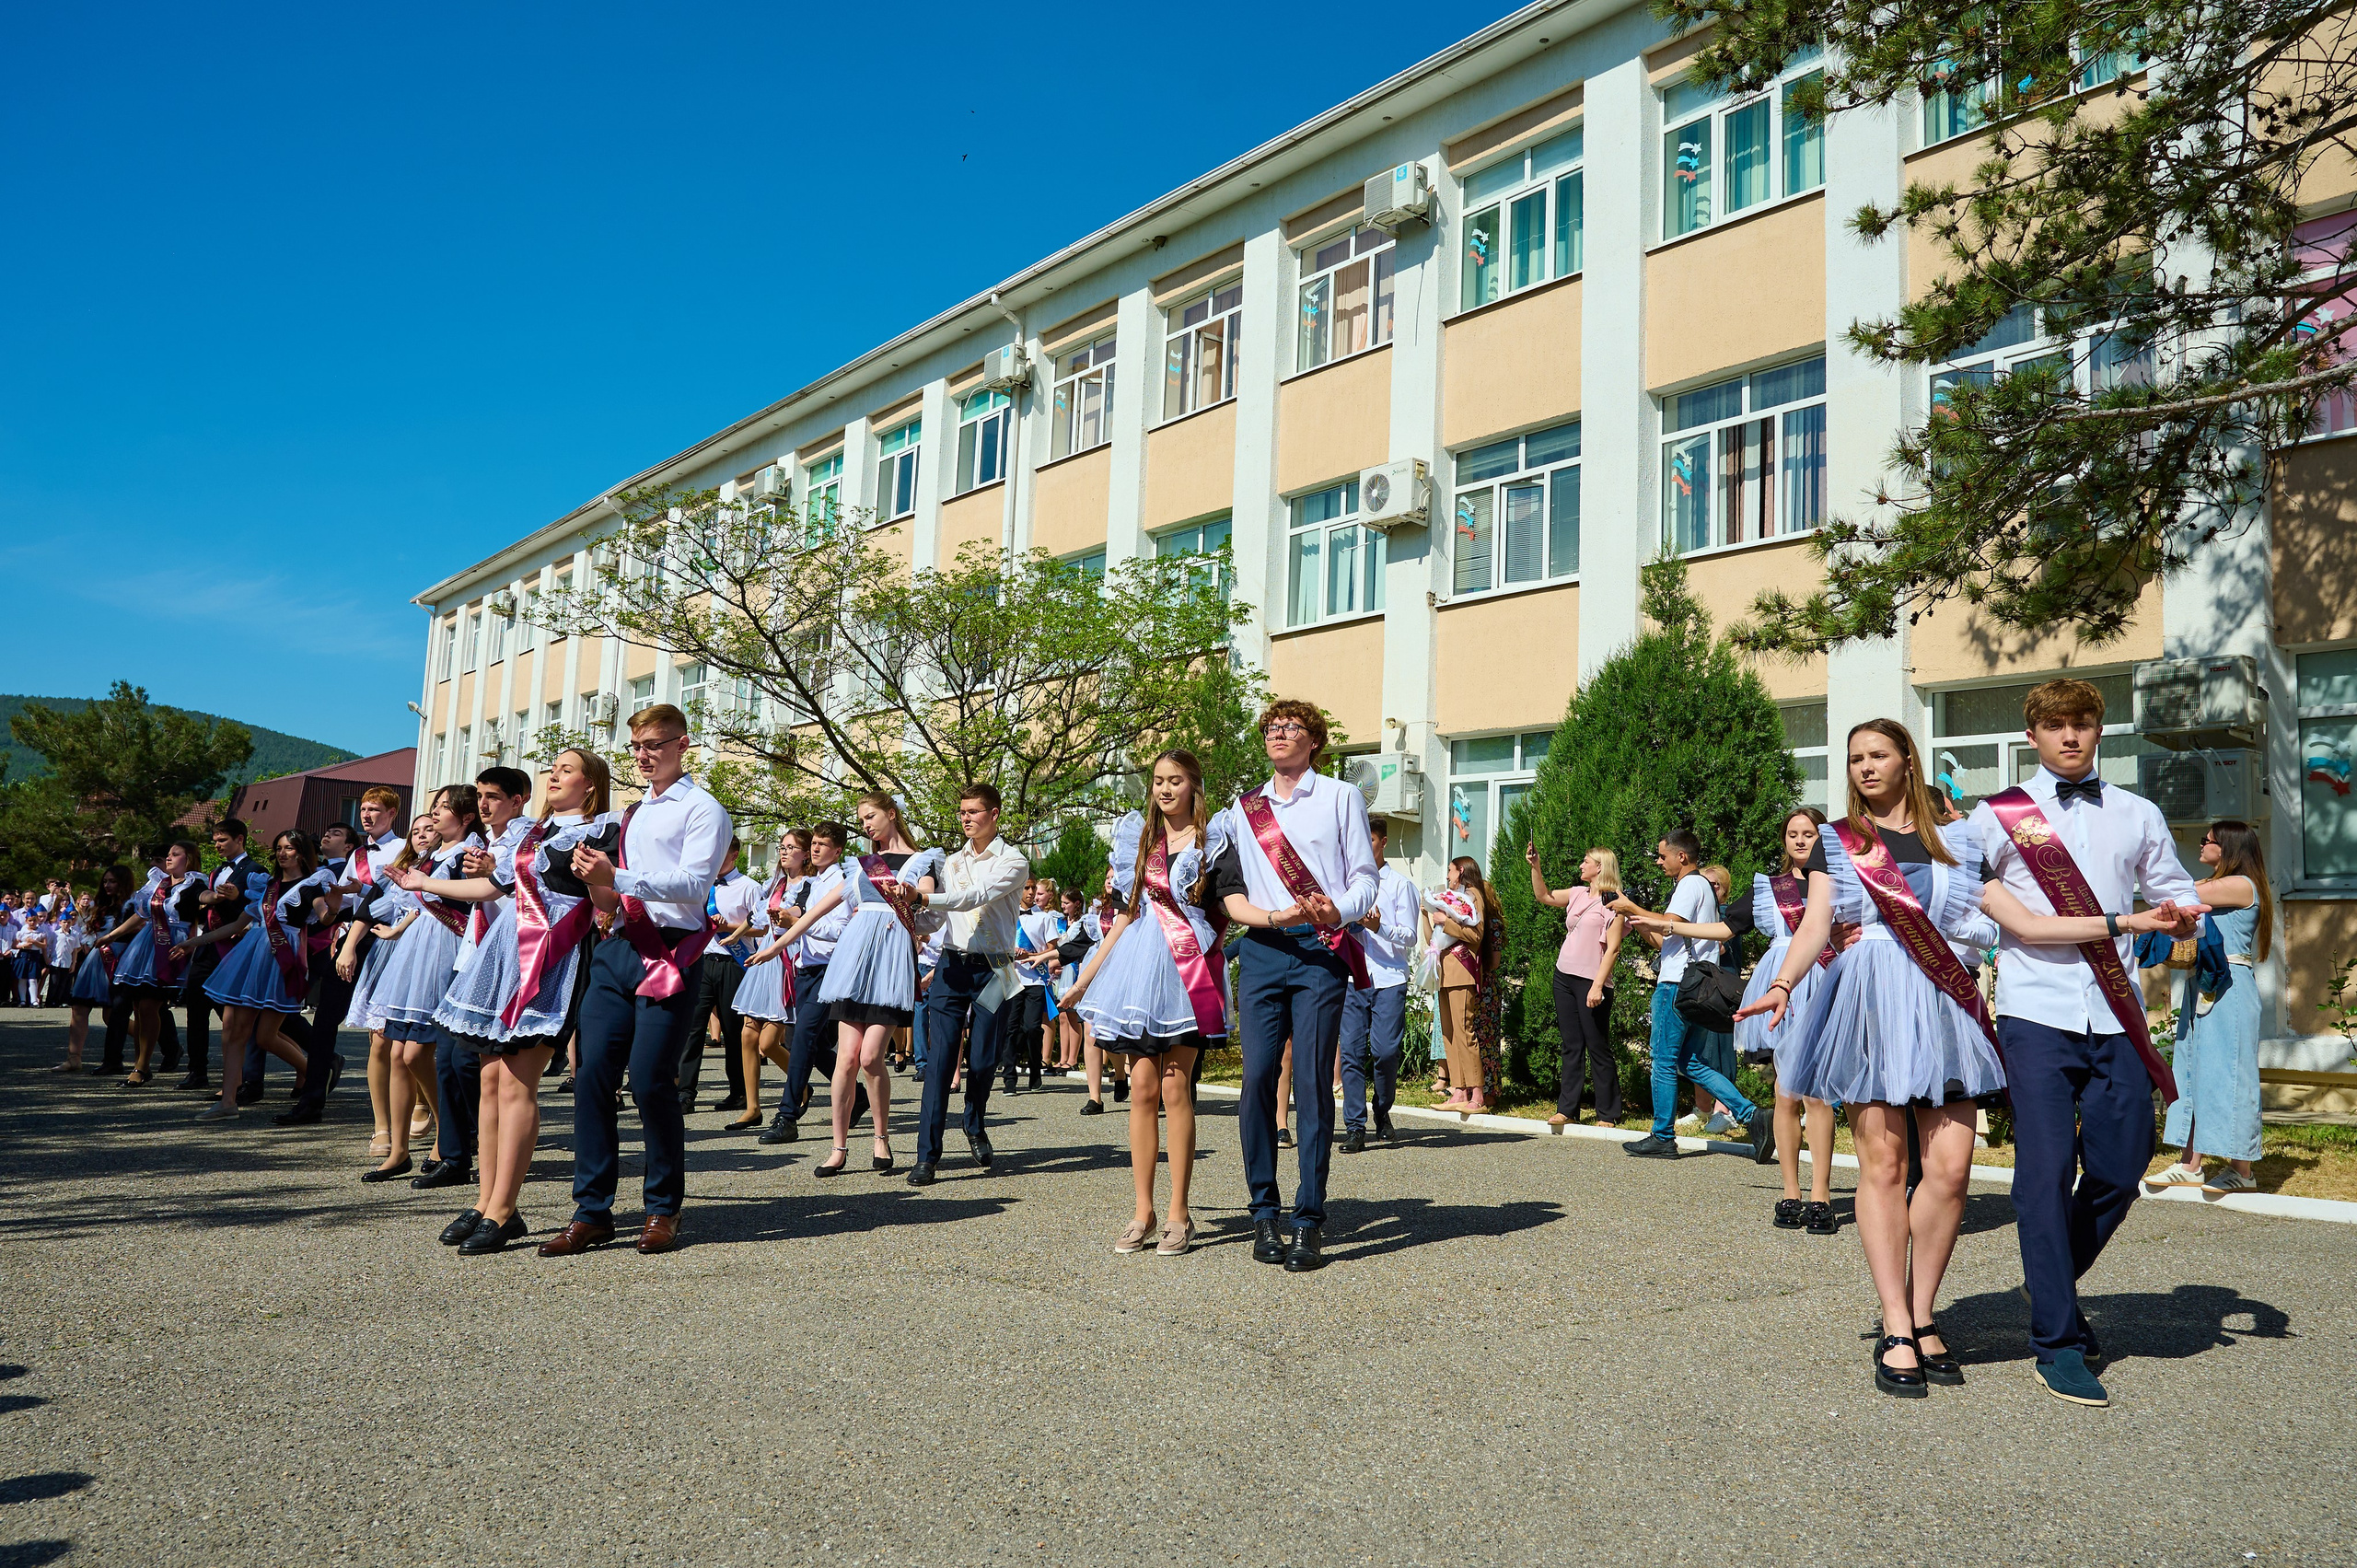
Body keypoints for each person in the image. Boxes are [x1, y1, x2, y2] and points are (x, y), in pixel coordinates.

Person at [1968, 678, 2202, 1408]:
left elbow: (2173, 890)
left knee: (2121, 1165)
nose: (2070, 736)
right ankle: (2059, 1339)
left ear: (2101, 731)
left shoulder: (2138, 812)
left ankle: (2052, 1286)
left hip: (2116, 1011)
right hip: (2036, 1012)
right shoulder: (1996, 816)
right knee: (2043, 1174)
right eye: (2055, 725)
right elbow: (1964, 904)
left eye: (2083, 724)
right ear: (2032, 735)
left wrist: (2185, 916)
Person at [539, 704, 732, 1258]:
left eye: (655, 744)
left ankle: (663, 1208)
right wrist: (591, 879)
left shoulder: (703, 809)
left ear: (683, 745)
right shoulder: (631, 813)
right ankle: (592, 1210)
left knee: (650, 1083)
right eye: (637, 747)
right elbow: (606, 885)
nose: (644, 756)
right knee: (592, 1076)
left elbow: (695, 886)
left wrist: (614, 875)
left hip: (671, 953)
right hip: (618, 948)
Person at [410, 748, 614, 1253]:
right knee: (491, 1079)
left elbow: (605, 899)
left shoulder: (606, 829)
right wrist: (424, 881)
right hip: (507, 953)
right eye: (553, 769)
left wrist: (603, 884)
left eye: (566, 770)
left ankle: (503, 1207)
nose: (554, 776)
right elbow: (491, 886)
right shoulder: (533, 833)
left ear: (590, 785)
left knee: (519, 1082)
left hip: (555, 957)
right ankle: (487, 1201)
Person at [1207, 699, 1379, 1273]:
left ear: (1314, 741)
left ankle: (1308, 1218)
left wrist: (1339, 911)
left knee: (1309, 1079)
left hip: (1318, 952)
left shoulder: (1339, 796)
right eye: (1272, 728)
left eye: (1291, 728)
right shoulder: (1242, 808)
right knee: (1256, 1076)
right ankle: (1263, 1210)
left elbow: (1365, 880)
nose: (1279, 735)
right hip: (1260, 951)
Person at [1635, 808, 1839, 1229]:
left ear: (1823, 839)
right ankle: (1790, 1193)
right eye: (1792, 834)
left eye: (1809, 834)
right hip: (1779, 982)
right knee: (1786, 1091)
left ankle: (1821, 1196)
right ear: (1783, 841)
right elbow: (1725, 929)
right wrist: (1667, 925)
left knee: (1818, 1095)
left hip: (1823, 980)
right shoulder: (1771, 888)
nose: (1800, 841)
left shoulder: (1840, 882)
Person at [1061, 751, 1229, 1254]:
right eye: (1158, 780)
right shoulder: (1140, 844)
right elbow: (1124, 917)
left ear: (1194, 785)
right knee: (1141, 1091)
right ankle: (1143, 1211)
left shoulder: (1212, 843)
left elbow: (1224, 912)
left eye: (1175, 780)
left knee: (1177, 1090)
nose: (1164, 789)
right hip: (1137, 976)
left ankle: (1179, 1212)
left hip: (1186, 975)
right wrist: (1086, 979)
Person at [765, 793, 940, 1178]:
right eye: (861, 819)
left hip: (889, 967)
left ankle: (881, 1138)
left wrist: (914, 896)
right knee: (845, 1060)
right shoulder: (860, 868)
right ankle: (838, 1148)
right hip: (852, 965)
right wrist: (775, 946)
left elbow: (929, 899)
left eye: (871, 816)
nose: (866, 825)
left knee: (870, 1057)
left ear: (891, 814)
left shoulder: (922, 861)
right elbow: (816, 911)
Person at [1615, 830, 1770, 1161]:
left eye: (1662, 855)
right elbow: (1666, 942)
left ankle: (1662, 1136)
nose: (1659, 862)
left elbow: (1669, 925)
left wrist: (1632, 904)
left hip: (1676, 987)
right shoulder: (1702, 889)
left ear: (1680, 856)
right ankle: (1752, 1116)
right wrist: (1636, 918)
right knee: (1691, 1063)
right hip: (1696, 987)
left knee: (1664, 1061)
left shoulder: (1689, 885)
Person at [906, 783, 1028, 1185]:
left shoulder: (1013, 861)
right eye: (962, 812)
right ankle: (927, 1156)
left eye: (974, 811)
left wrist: (923, 899)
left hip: (997, 970)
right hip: (951, 968)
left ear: (994, 814)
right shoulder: (950, 862)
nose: (966, 818)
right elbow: (938, 919)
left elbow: (974, 897)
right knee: (940, 1062)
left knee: (982, 1060)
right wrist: (905, 912)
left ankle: (974, 1123)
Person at [2147, 820, 2271, 1196]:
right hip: (2203, 983)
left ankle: (2242, 1169)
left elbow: (2181, 894)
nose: (2201, 846)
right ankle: (2191, 1163)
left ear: (2229, 848)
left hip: (2229, 985)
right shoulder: (2223, 885)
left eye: (2209, 841)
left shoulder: (2240, 885)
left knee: (2230, 1072)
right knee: (2192, 1068)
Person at [185, 830, 337, 1123]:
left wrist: (335, 902)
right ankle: (228, 1101)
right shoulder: (268, 887)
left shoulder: (312, 886)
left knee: (265, 1036)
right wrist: (192, 943)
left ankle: (316, 1070)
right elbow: (234, 926)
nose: (282, 853)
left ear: (302, 853)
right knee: (236, 1030)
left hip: (279, 959)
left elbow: (324, 917)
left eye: (290, 848)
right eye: (279, 847)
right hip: (253, 954)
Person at [375, 785, 484, 1186]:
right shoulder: (431, 856)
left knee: (423, 1053)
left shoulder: (467, 854)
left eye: (443, 808)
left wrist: (422, 888)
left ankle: (448, 1138)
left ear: (466, 816)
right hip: (416, 950)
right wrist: (397, 928)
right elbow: (418, 907)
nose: (435, 814)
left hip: (447, 952)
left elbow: (468, 906)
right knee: (398, 1052)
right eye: (434, 807)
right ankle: (398, 1148)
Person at [341, 815, 440, 1173]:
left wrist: (400, 928)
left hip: (423, 954)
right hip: (387, 958)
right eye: (416, 830)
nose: (422, 835)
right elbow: (367, 911)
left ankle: (426, 1107)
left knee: (415, 1046)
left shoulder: (441, 865)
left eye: (430, 828)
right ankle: (382, 1126)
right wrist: (349, 946)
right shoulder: (397, 871)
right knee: (380, 1042)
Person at [763, 820, 856, 1144]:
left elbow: (840, 931)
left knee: (802, 1038)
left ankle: (787, 1115)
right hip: (806, 969)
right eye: (813, 843)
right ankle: (856, 1095)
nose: (815, 848)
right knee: (806, 1042)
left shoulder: (841, 883)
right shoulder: (814, 882)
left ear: (838, 850)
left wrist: (803, 924)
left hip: (828, 970)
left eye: (822, 844)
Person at [1527, 842, 1627, 1131]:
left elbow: (1613, 949)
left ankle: (1608, 1113)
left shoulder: (1614, 901)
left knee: (1597, 1046)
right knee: (1571, 1045)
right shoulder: (1577, 893)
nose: (1581, 866)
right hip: (1564, 976)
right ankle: (1567, 1109)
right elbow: (1543, 896)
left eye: (1586, 862)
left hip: (1592, 981)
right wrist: (1536, 866)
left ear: (1600, 867)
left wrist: (1597, 986)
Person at [1338, 819, 1420, 1153]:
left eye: (1370, 840)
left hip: (1388, 978)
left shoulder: (1400, 886)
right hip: (1351, 978)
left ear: (1383, 842)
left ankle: (1382, 1110)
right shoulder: (1345, 885)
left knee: (1385, 1051)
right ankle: (1355, 1128)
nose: (1365, 847)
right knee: (1351, 1054)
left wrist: (1378, 927)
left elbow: (1411, 936)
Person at [110, 842, 204, 1086]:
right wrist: (112, 935)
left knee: (151, 1005)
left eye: (175, 854)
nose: (169, 859)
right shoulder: (159, 883)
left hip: (172, 946)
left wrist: (192, 945)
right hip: (146, 946)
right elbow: (141, 914)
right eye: (168, 855)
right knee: (139, 1007)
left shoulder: (195, 883)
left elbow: (199, 911)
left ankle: (143, 1067)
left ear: (190, 859)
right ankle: (140, 1064)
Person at [177, 819, 259, 1093]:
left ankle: (239, 1077)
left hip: (234, 947)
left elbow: (260, 907)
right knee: (196, 1010)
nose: (217, 845)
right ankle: (197, 1071)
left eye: (222, 840)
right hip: (207, 945)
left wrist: (237, 898)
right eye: (214, 840)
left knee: (234, 1018)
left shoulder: (255, 870)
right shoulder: (214, 872)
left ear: (240, 839)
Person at [735, 830, 808, 1131]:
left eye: (791, 847)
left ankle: (800, 1086)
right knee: (747, 1035)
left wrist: (786, 914)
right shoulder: (774, 883)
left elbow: (799, 913)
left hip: (786, 959)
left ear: (805, 855)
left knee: (768, 1042)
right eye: (782, 846)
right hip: (765, 956)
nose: (784, 851)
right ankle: (753, 1107)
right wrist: (734, 933)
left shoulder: (809, 885)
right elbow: (757, 919)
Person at [1431, 856, 1505, 1113]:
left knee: (1464, 1031)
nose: (1448, 876)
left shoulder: (1474, 895)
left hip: (1463, 970)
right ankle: (1459, 1090)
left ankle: (1477, 1094)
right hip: (1445, 969)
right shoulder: (1458, 894)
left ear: (1461, 871)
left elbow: (1476, 933)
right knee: (1450, 1033)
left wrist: (1445, 921)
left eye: (1450, 870)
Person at [690, 836, 758, 1115]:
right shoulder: (701, 886)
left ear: (735, 854)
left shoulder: (750, 887)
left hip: (734, 963)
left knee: (732, 1030)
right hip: (704, 960)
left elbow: (763, 927)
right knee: (693, 1028)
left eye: (722, 852)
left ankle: (739, 1092)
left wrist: (729, 926)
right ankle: (685, 1092)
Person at [63, 870, 134, 1074]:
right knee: (79, 1006)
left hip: (119, 959)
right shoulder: (101, 906)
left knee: (112, 1015)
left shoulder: (133, 904)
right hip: (96, 958)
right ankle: (73, 1058)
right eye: (105, 881)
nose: (108, 885)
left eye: (113, 881)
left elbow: (141, 928)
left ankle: (153, 1039)